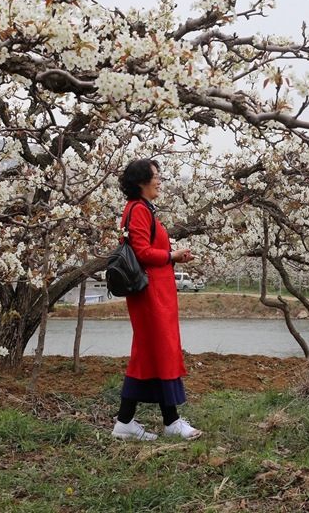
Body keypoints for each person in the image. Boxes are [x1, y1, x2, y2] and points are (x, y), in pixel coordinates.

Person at [111, 159, 202, 441]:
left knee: (152, 352)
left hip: (157, 291)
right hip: (151, 293)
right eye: (156, 176)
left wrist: (174, 256)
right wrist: (171, 256)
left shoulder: (144, 210)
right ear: (142, 182)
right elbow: (141, 252)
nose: (160, 181)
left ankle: (127, 422)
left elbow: (149, 249)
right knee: (160, 349)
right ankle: (170, 421)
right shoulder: (138, 210)